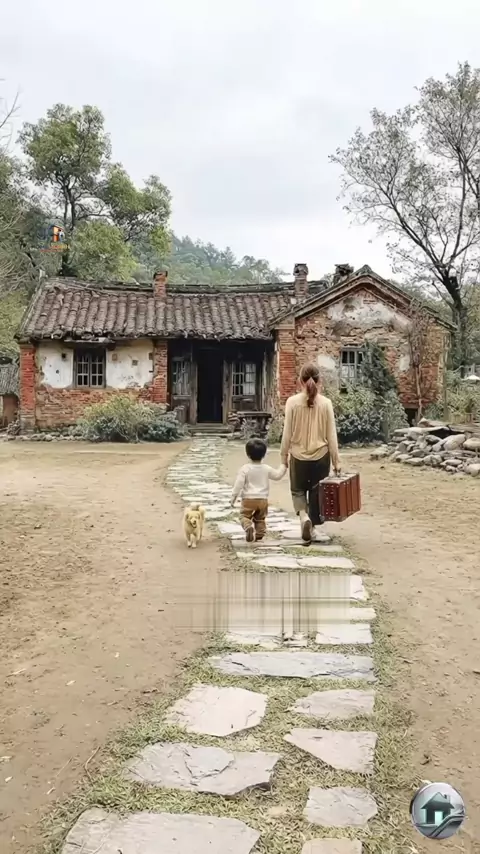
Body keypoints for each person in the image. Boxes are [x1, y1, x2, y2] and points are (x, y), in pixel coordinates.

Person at [280, 362, 341, 543]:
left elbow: (287, 433)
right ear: (319, 380)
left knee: (297, 490)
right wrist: (336, 461)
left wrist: (283, 456)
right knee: (316, 494)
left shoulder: (292, 402)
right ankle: (312, 527)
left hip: (298, 456)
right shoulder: (326, 404)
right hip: (321, 457)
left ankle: (303, 517)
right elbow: (331, 435)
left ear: (300, 380)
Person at [231, 438, 287, 542]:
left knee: (244, 516)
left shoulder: (245, 468)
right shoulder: (266, 468)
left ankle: (248, 526)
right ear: (264, 455)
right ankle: (260, 534)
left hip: (248, 499)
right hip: (262, 499)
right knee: (260, 518)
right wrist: (283, 466)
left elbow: (239, 484)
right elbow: (277, 475)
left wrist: (234, 497)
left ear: (248, 454)